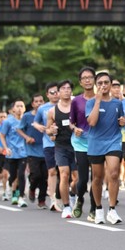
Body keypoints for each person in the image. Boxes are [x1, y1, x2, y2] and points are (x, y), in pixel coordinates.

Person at [86, 71, 125, 224]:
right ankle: (98, 209)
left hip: (113, 141)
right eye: (100, 83)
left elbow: (121, 121)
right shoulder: (91, 103)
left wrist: (122, 122)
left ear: (110, 84)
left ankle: (112, 209)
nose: (103, 85)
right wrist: (97, 101)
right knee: (97, 178)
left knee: (114, 173)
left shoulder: (117, 103)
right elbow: (92, 122)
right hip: (96, 143)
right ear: (96, 86)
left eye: (106, 82)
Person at [47, 80, 77, 219]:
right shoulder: (52, 111)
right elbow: (48, 130)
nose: (66, 90)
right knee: (64, 174)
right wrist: (51, 130)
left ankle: (72, 195)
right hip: (61, 146)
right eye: (63, 88)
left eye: (68, 88)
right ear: (58, 92)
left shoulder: (76, 107)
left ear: (71, 91)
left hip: (77, 146)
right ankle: (66, 207)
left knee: (77, 179)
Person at [70, 66, 97, 220]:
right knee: (83, 178)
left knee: (96, 178)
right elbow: (71, 122)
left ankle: (94, 207)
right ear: (80, 82)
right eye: (84, 78)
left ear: (94, 80)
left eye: (90, 77)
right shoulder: (76, 101)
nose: (87, 80)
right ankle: (80, 199)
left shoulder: (100, 99)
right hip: (81, 143)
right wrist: (75, 129)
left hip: (98, 143)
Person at [33, 83, 62, 212]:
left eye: (57, 92)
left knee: (65, 173)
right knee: (52, 171)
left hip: (64, 143)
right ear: (47, 95)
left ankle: (67, 197)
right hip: (49, 144)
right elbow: (35, 122)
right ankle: (53, 199)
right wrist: (38, 126)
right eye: (52, 92)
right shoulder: (42, 108)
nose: (55, 94)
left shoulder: (66, 105)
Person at [17, 94, 48, 209]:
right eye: (36, 101)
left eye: (41, 101)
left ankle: (42, 201)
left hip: (46, 149)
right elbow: (19, 129)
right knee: (36, 174)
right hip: (32, 151)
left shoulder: (47, 114)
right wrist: (27, 137)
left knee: (44, 177)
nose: (39, 103)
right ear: (32, 104)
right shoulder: (27, 116)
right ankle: (32, 188)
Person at [0, 100, 27, 207]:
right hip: (11, 153)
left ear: (24, 108)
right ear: (13, 109)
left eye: (21, 106)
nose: (19, 108)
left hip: (24, 152)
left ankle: (21, 197)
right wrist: (6, 148)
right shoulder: (8, 122)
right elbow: (2, 135)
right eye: (17, 106)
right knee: (13, 176)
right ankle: (14, 191)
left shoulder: (27, 120)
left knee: (21, 175)